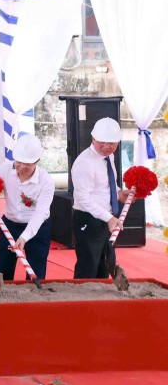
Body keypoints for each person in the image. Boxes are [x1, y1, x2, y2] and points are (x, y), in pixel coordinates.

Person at [0, 135, 55, 280]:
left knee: (36, 270)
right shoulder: (5, 168)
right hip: (9, 224)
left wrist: (24, 237)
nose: (22, 167)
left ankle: (33, 299)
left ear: (37, 162)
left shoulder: (46, 181)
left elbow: (40, 213)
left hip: (38, 228)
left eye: (28, 164)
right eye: (19, 162)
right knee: (2, 269)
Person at [70, 117, 130, 280]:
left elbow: (105, 185)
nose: (106, 147)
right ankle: (82, 302)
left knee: (104, 264)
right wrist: (109, 218)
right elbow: (83, 198)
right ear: (93, 138)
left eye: (112, 143)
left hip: (106, 217)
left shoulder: (109, 156)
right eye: (101, 142)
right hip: (88, 219)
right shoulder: (84, 163)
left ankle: (101, 301)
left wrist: (119, 193)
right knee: (88, 265)